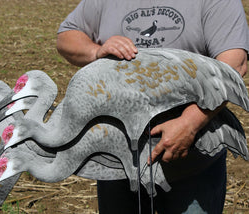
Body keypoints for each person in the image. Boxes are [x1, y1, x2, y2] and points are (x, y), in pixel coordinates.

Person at [56, 0, 249, 213]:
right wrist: (96, 51)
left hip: (191, 162)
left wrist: (190, 123)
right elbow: (67, 36)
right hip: (117, 162)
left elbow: (233, 65)